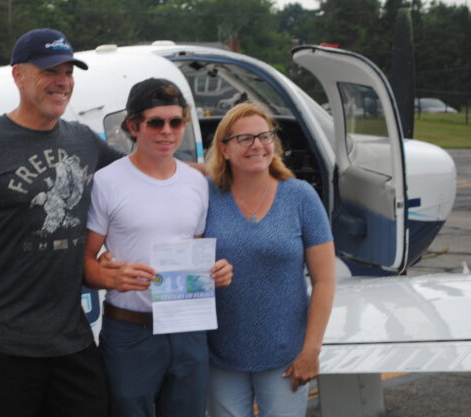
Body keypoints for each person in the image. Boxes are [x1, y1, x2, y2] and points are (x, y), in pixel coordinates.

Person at [0, 28, 123, 417]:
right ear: (18, 75)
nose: (62, 81)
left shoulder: (84, 141)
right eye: (50, 71)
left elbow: (144, 177)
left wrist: (222, 173)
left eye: (68, 71)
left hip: (72, 341)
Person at [83, 78, 234, 417]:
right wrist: (112, 278)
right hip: (130, 331)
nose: (167, 131)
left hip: (188, 329)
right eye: (156, 122)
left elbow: (192, 253)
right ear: (133, 126)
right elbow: (84, 263)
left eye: (176, 122)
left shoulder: (197, 183)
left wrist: (215, 273)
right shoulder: (107, 182)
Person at [204, 102, 336, 417]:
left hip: (286, 356)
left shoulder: (301, 196)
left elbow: (325, 280)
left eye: (265, 136)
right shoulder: (206, 195)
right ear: (224, 148)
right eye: (245, 139)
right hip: (221, 355)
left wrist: (311, 351)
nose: (258, 145)